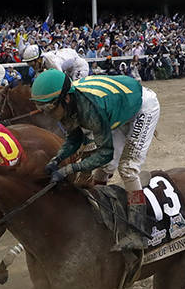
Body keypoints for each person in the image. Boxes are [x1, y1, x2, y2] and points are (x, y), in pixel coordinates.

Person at [29, 70, 160, 251]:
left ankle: (137, 231)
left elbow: (104, 153)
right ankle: (101, 207)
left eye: (50, 109)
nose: (48, 115)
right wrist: (56, 159)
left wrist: (68, 170)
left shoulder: (89, 108)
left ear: (66, 99)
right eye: (42, 109)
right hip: (116, 109)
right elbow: (74, 138)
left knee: (127, 168)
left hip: (142, 107)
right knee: (107, 166)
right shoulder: (69, 103)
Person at [22, 44, 90, 81]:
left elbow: (61, 79)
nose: (32, 67)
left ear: (38, 59)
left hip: (79, 67)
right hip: (68, 69)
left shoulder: (52, 62)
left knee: (75, 89)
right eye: (29, 64)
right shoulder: (41, 62)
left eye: (32, 64)